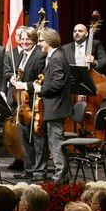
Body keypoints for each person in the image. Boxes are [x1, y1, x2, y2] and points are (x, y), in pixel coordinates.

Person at [7, 27, 46, 179]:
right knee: (24, 137)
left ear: (34, 40)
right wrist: (13, 78)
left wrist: (24, 85)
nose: (24, 42)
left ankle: (39, 171)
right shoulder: (22, 54)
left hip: (34, 103)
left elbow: (41, 79)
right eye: (22, 39)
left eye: (28, 39)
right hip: (22, 104)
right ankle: (29, 169)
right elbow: (19, 74)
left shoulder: (40, 55)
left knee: (37, 138)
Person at [37, 28, 72, 180]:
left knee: (55, 142)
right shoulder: (54, 56)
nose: (39, 44)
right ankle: (61, 176)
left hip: (56, 107)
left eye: (41, 41)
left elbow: (57, 84)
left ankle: (59, 178)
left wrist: (41, 89)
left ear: (49, 42)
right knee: (54, 142)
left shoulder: (57, 58)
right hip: (54, 107)